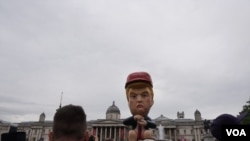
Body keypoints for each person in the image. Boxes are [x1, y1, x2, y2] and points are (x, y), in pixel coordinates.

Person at [123, 72, 157, 141]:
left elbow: (154, 125)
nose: (139, 100)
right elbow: (124, 122)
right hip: (134, 134)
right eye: (134, 96)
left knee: (147, 133)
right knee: (131, 133)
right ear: (128, 102)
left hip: (145, 134)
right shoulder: (134, 119)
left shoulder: (146, 118)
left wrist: (146, 123)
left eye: (144, 95)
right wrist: (134, 118)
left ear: (152, 101)